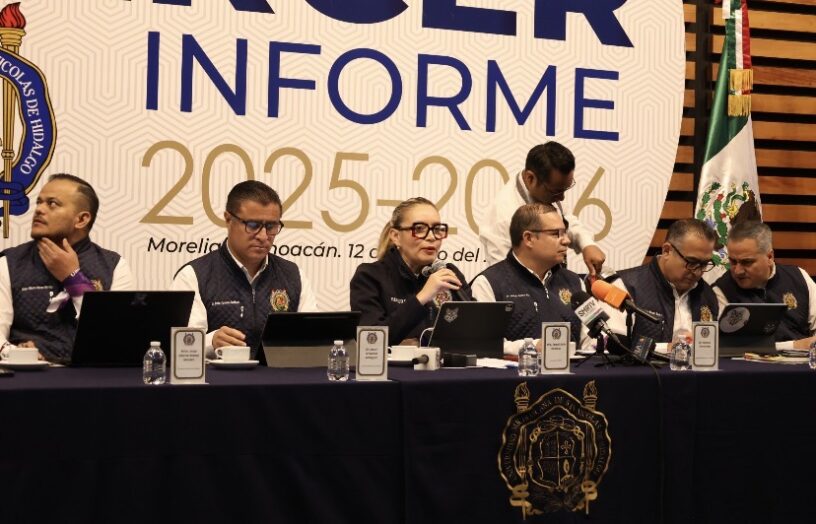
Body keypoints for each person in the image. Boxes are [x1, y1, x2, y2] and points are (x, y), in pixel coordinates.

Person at [171, 181, 317, 358]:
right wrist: (211, 341)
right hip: (218, 376)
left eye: (271, 227)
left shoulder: (294, 275)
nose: (263, 236)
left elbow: (313, 340)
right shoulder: (193, 276)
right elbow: (181, 347)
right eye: (253, 225)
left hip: (281, 375)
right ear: (228, 219)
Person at [0, 174, 134, 363]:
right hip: (30, 375)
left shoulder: (114, 266)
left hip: (94, 375)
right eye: (39, 202)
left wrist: (74, 279)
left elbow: (118, 336)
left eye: (52, 204)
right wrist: (17, 353)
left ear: (81, 219)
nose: (39, 209)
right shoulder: (9, 262)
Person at [349, 197, 471, 346]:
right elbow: (371, 340)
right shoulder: (369, 276)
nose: (431, 237)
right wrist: (422, 297)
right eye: (419, 229)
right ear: (396, 236)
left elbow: (474, 329)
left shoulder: (448, 273)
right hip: (393, 362)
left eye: (437, 229)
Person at [471, 203, 588, 354]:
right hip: (516, 369)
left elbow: (590, 340)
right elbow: (484, 344)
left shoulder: (575, 282)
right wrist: (531, 346)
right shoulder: (488, 283)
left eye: (565, 233)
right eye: (556, 234)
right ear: (529, 238)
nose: (566, 241)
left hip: (576, 369)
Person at [479, 142, 606, 274]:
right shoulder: (504, 216)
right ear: (530, 178)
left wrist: (587, 244)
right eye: (556, 191)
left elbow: (567, 220)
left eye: (565, 189)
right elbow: (504, 275)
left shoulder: (546, 189)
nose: (562, 198)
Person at [605, 218, 720, 343]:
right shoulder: (623, 286)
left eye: (704, 264)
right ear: (666, 251)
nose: (697, 272)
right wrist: (671, 349)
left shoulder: (708, 295)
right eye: (691, 262)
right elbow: (611, 346)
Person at [712, 221, 816, 349]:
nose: (738, 271)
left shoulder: (799, 277)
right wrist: (794, 345)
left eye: (747, 262)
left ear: (770, 257)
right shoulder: (721, 291)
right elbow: (729, 347)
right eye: (733, 262)